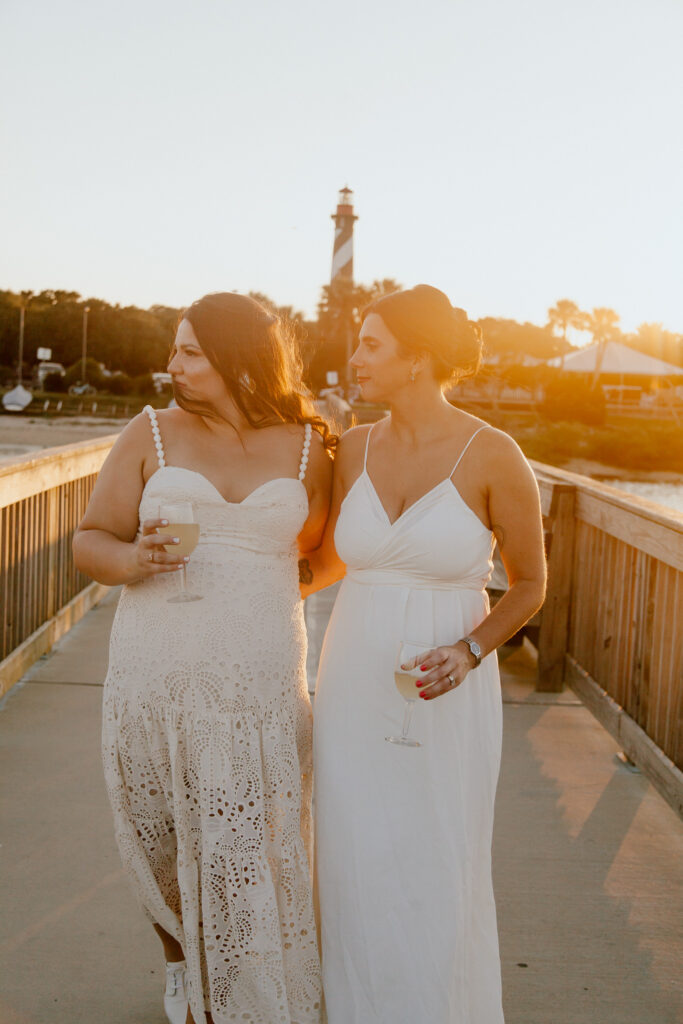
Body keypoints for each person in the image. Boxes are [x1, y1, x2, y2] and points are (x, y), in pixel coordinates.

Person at [73, 293, 332, 1024]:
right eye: (175, 349)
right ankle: (184, 970)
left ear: (236, 356)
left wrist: (265, 584)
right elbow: (89, 538)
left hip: (262, 668)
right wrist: (131, 558)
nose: (173, 364)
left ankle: (253, 981)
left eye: (190, 351)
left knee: (258, 830)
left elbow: (331, 551)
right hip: (158, 661)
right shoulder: (150, 430)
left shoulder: (312, 443)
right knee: (162, 826)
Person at [300, 285, 547, 1023]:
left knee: (435, 848)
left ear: (416, 361)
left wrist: (471, 650)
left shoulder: (493, 454)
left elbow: (530, 585)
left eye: (371, 344)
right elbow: (331, 561)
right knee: (349, 848)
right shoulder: (356, 449)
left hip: (446, 683)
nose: (356, 357)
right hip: (352, 674)